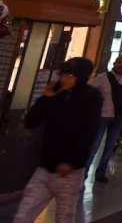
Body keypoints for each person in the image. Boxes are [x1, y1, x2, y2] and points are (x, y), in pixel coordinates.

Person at [13, 58, 101, 223]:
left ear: (81, 77)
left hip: (69, 173)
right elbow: (31, 122)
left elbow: (89, 133)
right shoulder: (55, 93)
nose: (64, 79)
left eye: (70, 75)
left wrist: (72, 162)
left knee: (64, 216)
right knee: (24, 213)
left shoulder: (91, 97)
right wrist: (45, 98)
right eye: (63, 74)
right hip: (45, 168)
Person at [86, 54, 122, 184]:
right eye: (119, 62)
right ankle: (83, 175)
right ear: (115, 63)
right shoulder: (103, 77)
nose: (120, 65)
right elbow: (90, 90)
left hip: (118, 117)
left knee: (109, 146)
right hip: (102, 116)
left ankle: (101, 173)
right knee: (94, 146)